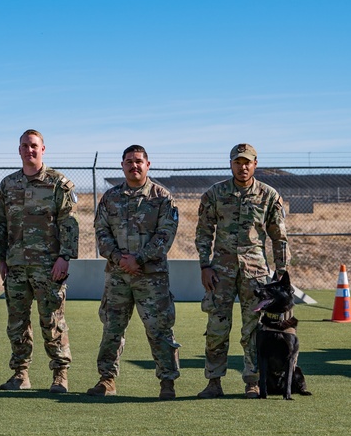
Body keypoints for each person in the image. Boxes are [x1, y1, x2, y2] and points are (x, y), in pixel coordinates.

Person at [196, 143, 288, 399]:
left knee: (254, 328)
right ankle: (214, 381)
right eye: (238, 162)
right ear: (231, 164)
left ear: (255, 164)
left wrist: (282, 273)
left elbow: (279, 237)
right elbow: (204, 231)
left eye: (247, 162)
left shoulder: (269, 195)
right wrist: (204, 265)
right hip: (220, 273)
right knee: (216, 327)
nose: (242, 166)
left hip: (255, 274)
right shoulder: (215, 194)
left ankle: (252, 381)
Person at [90, 145, 181, 399]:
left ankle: (167, 382)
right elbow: (101, 232)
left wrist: (138, 259)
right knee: (112, 329)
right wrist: (120, 259)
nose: (134, 165)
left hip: (151, 278)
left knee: (159, 329)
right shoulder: (110, 198)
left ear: (148, 164)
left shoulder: (162, 197)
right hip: (118, 276)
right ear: (122, 165)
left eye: (139, 161)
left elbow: (166, 235)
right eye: (129, 161)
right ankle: (107, 380)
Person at [0, 129, 77, 393]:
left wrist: (64, 257)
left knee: (52, 321)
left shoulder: (58, 184)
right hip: (16, 265)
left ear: (43, 149)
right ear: (19, 150)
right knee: (17, 323)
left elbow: (69, 224)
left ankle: (60, 375)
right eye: (24, 146)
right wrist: (2, 258)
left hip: (49, 267)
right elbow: (1, 224)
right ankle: (20, 374)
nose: (29, 150)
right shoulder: (8, 185)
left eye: (34, 146)